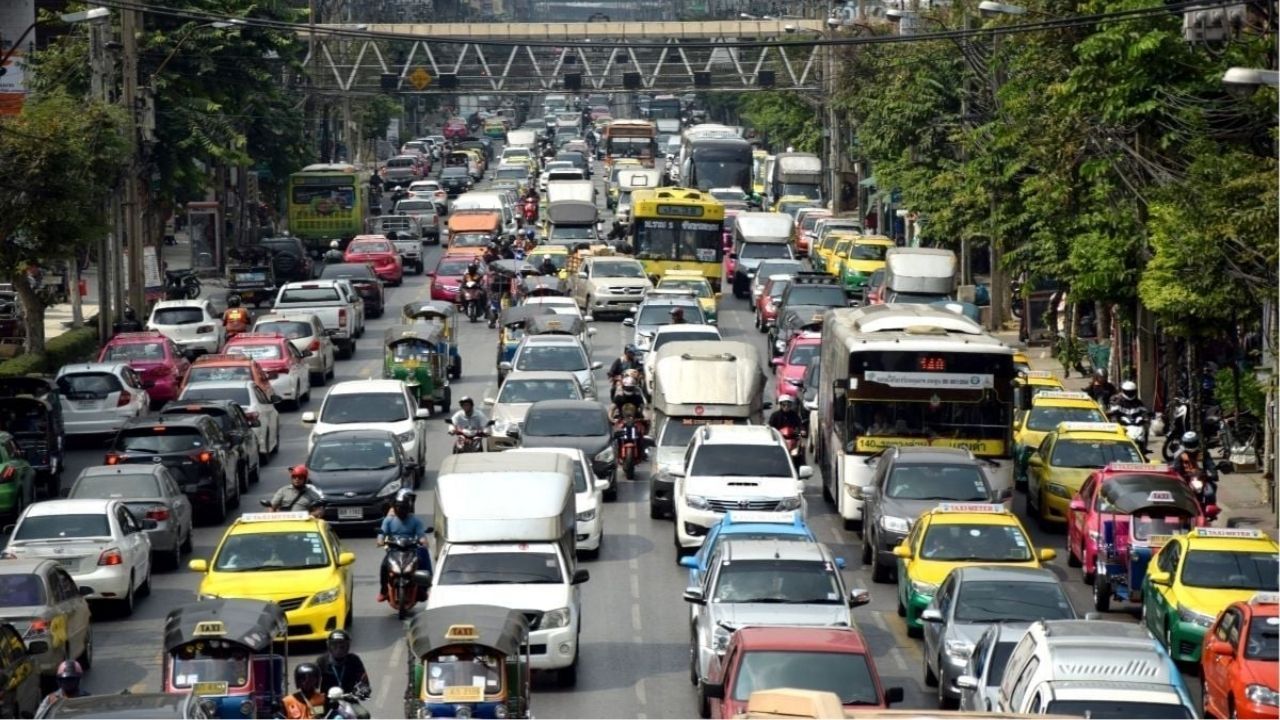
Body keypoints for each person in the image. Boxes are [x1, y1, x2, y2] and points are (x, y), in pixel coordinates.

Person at [377, 489, 432, 602]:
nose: (400, 510)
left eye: (403, 507)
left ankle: (421, 589)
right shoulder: (388, 520)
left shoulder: (415, 521)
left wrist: (423, 542)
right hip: (393, 551)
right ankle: (383, 591)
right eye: (398, 507)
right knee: (384, 566)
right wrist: (380, 541)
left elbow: (421, 536)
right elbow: (381, 534)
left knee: (421, 562)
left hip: (410, 551)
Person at [1172, 431, 1218, 505]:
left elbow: (1210, 463)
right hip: (1185, 480)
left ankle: (1211, 511)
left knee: (1211, 490)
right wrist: (1179, 476)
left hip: (1202, 478)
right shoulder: (1179, 454)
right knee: (1176, 494)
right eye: (1188, 444)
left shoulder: (1203, 453)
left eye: (1193, 443)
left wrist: (1213, 473)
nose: (1191, 445)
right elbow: (1176, 467)